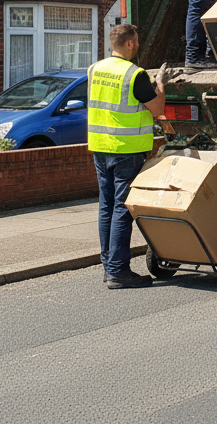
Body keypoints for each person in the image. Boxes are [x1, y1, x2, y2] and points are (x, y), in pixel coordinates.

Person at [87, 24, 165, 289]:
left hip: (100, 147)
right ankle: (118, 272)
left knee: (106, 207)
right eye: (138, 41)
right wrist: (160, 88)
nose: (139, 46)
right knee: (122, 209)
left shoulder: (95, 69)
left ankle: (108, 266)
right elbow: (156, 108)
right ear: (130, 44)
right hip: (126, 150)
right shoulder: (135, 74)